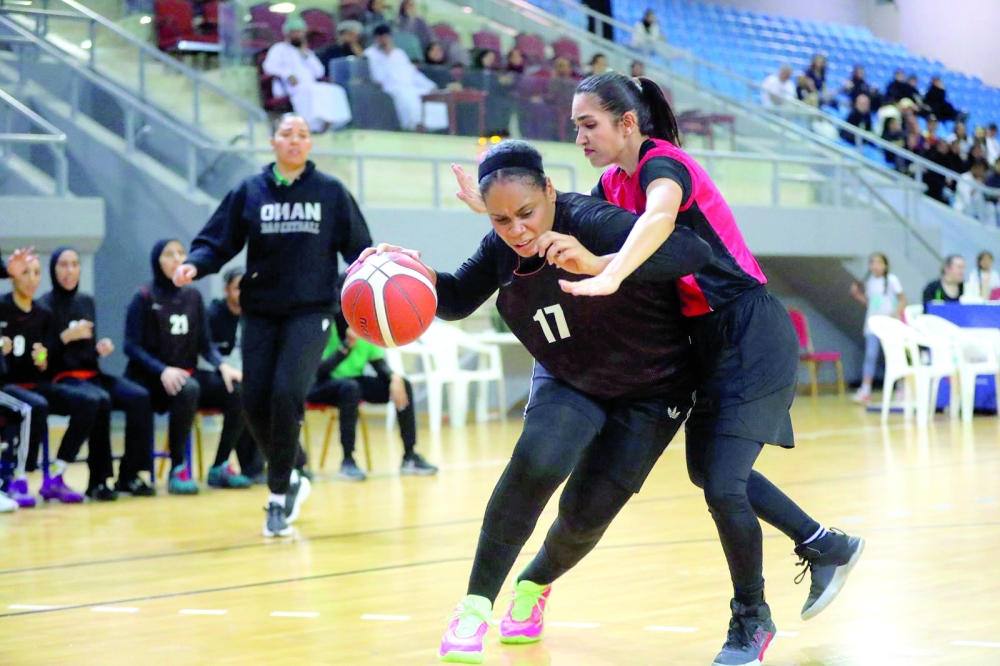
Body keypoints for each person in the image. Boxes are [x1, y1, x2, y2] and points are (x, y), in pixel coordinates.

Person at [453, 72, 865, 666]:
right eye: (574, 126)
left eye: (588, 123)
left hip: (746, 325)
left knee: (720, 481)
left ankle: (752, 619)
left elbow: (660, 222)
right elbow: (553, 212)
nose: (580, 135)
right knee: (710, 471)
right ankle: (825, 544)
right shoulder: (610, 185)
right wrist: (493, 209)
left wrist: (609, 267)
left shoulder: (660, 163)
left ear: (627, 122)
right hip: (701, 339)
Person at [364, 140, 713, 664]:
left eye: (527, 213)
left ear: (550, 190)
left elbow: (692, 251)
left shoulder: (592, 219)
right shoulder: (503, 244)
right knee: (537, 462)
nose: (518, 230)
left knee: (585, 515)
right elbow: (457, 299)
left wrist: (601, 262)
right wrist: (413, 272)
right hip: (569, 374)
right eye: (501, 220)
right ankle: (474, 609)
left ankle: (534, 584)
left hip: (651, 386)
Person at [172, 114, 373, 538]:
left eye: (303, 135)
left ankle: (279, 494)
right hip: (261, 311)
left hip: (311, 312)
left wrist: (378, 279)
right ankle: (293, 467)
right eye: (287, 134)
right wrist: (195, 263)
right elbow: (218, 239)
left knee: (286, 394)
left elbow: (359, 250)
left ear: (310, 145)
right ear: (273, 142)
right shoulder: (251, 190)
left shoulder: (330, 192)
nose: (295, 141)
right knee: (252, 400)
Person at [124, 240, 249, 495]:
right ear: (158, 262)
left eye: (182, 253)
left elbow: (205, 344)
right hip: (152, 377)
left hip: (186, 374)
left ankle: (220, 465)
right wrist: (162, 370)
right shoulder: (145, 296)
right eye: (170, 255)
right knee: (188, 389)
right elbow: (131, 346)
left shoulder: (193, 296)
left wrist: (222, 365)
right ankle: (177, 467)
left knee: (237, 389)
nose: (178, 259)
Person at [40, 247, 156, 497]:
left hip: (91, 374)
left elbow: (85, 350)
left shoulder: (86, 301)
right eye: (63, 265)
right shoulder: (44, 306)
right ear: (53, 269)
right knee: (100, 401)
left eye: (74, 264)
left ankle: (130, 475)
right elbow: (42, 357)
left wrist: (98, 349)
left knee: (139, 397)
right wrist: (64, 337)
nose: (70, 271)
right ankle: (99, 481)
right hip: (63, 378)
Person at [0, 257, 110, 503]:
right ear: (14, 275)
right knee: (34, 407)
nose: (31, 279)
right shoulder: (2, 307)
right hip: (6, 386)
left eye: (37, 273)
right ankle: (18, 478)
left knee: (89, 402)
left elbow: (44, 357)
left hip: (35, 384)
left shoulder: (43, 313)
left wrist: (41, 359)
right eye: (26, 272)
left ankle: (57, 474)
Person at [308, 311, 437, 481]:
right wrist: (346, 347)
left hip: (351, 383)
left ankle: (409, 455)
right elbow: (318, 373)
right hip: (320, 385)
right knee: (350, 388)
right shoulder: (326, 326)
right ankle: (348, 460)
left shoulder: (364, 330)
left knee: (402, 384)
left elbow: (379, 365)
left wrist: (393, 377)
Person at [207, 267, 267, 482]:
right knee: (241, 395)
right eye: (238, 288)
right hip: (212, 375)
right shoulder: (213, 314)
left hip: (243, 377)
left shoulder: (255, 316)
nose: (243, 294)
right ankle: (220, 464)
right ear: (226, 290)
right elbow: (206, 351)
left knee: (266, 393)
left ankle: (257, 466)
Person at [262, 16, 353, 133]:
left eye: (300, 32)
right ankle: (311, 126)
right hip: (289, 86)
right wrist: (288, 75)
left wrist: (306, 55)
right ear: (287, 34)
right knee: (310, 91)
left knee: (335, 90)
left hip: (310, 85)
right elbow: (269, 67)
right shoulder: (279, 49)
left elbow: (319, 72)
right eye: (294, 32)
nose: (297, 35)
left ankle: (329, 124)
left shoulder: (307, 52)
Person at [364, 25, 448, 131]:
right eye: (380, 37)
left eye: (386, 36)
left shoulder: (399, 53)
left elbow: (413, 73)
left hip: (409, 86)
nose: (383, 40)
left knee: (434, 95)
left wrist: (430, 86)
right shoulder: (370, 54)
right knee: (407, 96)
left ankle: (435, 128)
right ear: (376, 38)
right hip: (389, 87)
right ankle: (414, 126)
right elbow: (374, 75)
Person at [848, 253, 906, 404]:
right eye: (872, 263)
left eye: (879, 263)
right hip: (873, 324)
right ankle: (866, 389)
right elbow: (872, 304)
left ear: (885, 265)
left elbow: (903, 300)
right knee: (870, 355)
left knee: (894, 356)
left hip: (890, 324)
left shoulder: (892, 280)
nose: (875, 266)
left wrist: (895, 314)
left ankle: (901, 388)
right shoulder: (870, 282)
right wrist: (857, 295)